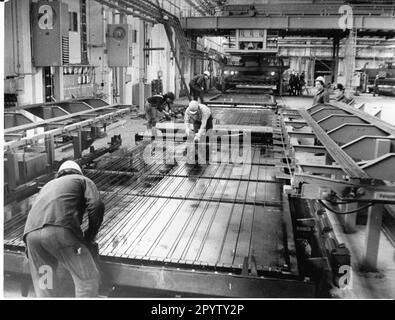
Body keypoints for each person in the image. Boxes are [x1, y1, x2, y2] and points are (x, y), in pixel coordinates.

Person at [23, 160, 104, 297]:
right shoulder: (82, 180)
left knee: (46, 283)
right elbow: (96, 205)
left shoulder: (47, 186)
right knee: (87, 280)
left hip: (31, 237)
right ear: (78, 172)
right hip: (59, 232)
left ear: (59, 174)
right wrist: (90, 235)